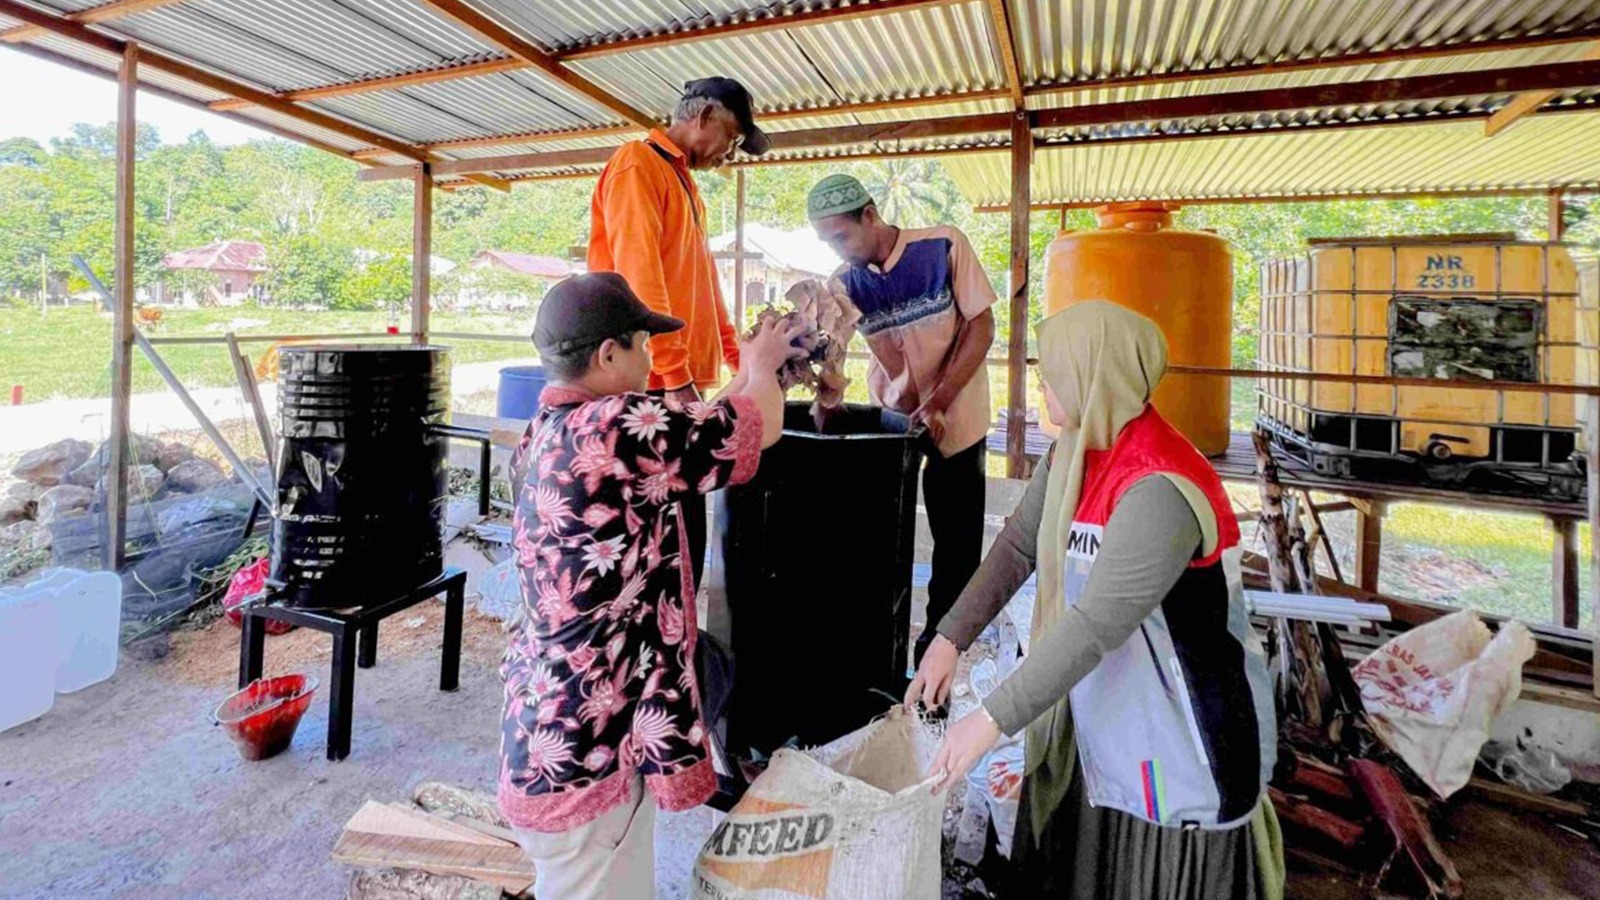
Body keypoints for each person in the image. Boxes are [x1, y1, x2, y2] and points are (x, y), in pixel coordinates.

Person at [906, 301, 1285, 899]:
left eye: (1053, 372)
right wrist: (949, 639)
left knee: (1147, 870)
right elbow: (1017, 547)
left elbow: (1092, 626)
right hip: (1111, 709)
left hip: (1181, 733)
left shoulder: (1159, 485)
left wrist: (990, 720)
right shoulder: (1074, 453)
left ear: (1094, 375)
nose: (1042, 386)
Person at [497, 273, 804, 900]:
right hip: (590, 742)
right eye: (644, 346)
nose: (651, 361)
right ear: (609, 354)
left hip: (551, 719)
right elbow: (760, 427)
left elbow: (700, 427)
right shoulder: (614, 426)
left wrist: (751, 375)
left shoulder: (547, 432)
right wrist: (763, 365)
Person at [588, 77, 772, 595]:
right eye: (732, 137)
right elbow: (640, 279)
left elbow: (705, 284)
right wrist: (674, 377)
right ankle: (661, 627)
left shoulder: (685, 185)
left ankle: (680, 628)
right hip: (642, 381)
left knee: (686, 525)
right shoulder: (637, 164)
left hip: (671, 379)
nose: (729, 152)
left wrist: (739, 356)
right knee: (659, 531)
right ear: (704, 116)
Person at [807, 174, 997, 665]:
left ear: (870, 215)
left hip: (958, 412)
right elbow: (833, 353)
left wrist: (941, 399)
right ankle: (880, 647)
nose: (837, 250)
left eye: (841, 237)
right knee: (885, 533)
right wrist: (826, 389)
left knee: (956, 542)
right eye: (827, 242)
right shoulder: (844, 283)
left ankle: (938, 650)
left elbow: (981, 325)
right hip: (895, 420)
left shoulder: (942, 246)